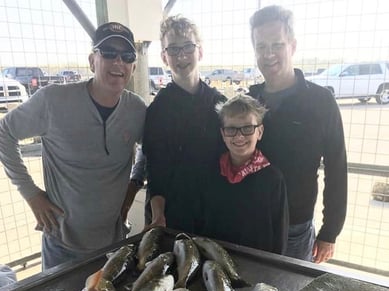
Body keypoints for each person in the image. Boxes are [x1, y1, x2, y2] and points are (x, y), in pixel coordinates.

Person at [0, 22, 146, 270]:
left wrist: (133, 185)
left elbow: (151, 150)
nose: (118, 62)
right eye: (108, 53)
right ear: (92, 60)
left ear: (133, 67)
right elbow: (2, 133)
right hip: (61, 247)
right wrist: (30, 193)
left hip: (113, 245)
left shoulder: (137, 109)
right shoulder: (53, 101)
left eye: (126, 56)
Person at [248, 5, 347, 263]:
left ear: (292, 45)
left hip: (296, 230)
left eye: (277, 45)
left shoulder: (320, 101)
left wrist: (330, 232)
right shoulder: (249, 102)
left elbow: (337, 168)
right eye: (261, 47)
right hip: (251, 223)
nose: (268, 54)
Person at [142, 15, 227, 234]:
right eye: (173, 49)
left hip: (215, 212)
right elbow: (155, 169)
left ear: (200, 51)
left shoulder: (220, 104)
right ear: (164, 57)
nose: (181, 55)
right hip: (174, 215)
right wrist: (158, 214)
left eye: (188, 47)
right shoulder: (157, 111)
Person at [201, 94, 288, 254]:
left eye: (248, 128)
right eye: (231, 129)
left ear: (260, 132)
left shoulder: (272, 179)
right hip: (217, 260)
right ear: (223, 134)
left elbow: (279, 233)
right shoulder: (212, 172)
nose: (239, 136)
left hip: (257, 264)